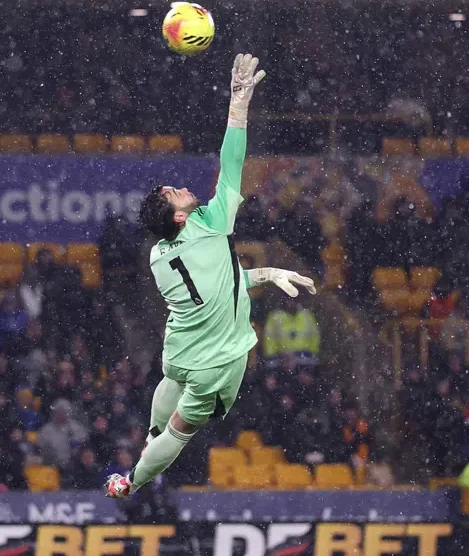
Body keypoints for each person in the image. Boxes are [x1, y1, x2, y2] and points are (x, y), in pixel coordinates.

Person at [106, 54, 316, 498]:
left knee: (170, 384)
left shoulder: (158, 255)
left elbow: (221, 283)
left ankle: (149, 438)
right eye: (174, 193)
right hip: (215, 363)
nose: (181, 188)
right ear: (179, 217)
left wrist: (265, 273)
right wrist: (238, 107)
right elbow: (231, 162)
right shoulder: (212, 223)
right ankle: (132, 482)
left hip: (180, 350)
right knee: (180, 432)